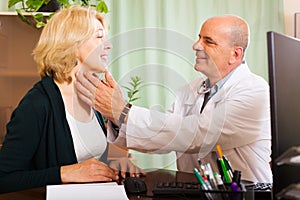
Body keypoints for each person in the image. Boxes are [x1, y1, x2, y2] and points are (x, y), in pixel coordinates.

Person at [76, 14, 272, 183]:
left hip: (247, 193)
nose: (196, 46)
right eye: (199, 38)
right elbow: (163, 138)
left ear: (235, 54)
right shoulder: (190, 90)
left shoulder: (255, 91)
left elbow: (198, 134)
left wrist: (124, 111)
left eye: (208, 41)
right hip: (196, 191)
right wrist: (115, 116)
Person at [0, 5, 143, 194]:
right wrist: (65, 173)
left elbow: (94, 154)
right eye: (99, 37)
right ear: (72, 44)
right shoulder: (36, 105)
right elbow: (4, 179)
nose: (108, 45)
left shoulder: (95, 97)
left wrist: (119, 160)